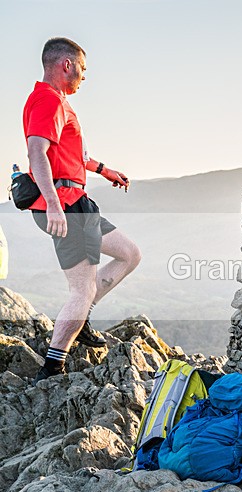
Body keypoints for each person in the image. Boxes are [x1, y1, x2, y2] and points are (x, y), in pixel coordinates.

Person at [24, 37, 141, 383]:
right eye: (83, 70)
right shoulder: (48, 100)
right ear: (66, 65)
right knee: (82, 288)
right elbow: (37, 154)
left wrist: (106, 171)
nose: (84, 77)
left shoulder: (56, 102)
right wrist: (56, 206)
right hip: (68, 206)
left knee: (129, 254)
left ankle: (83, 315)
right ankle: (53, 365)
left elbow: (76, 156)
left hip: (79, 204)